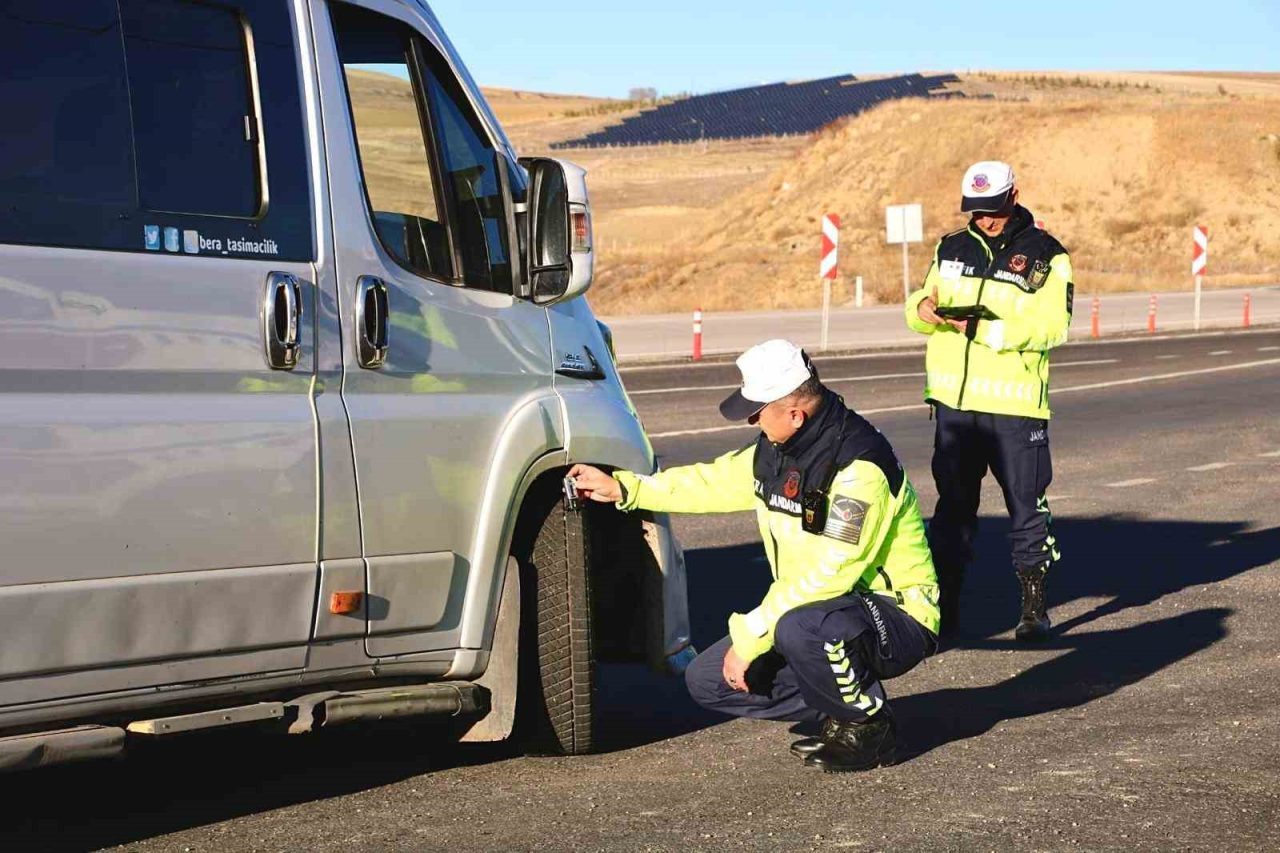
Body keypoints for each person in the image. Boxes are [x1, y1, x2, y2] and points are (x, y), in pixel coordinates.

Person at [568, 339, 939, 773]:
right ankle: (840, 702)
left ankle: (867, 726)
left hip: (894, 614)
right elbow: (709, 483)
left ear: (795, 414)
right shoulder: (777, 449)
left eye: (757, 411)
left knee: (801, 626)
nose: (751, 421)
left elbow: (830, 574)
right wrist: (625, 488)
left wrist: (750, 640)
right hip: (819, 610)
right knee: (709, 681)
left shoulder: (859, 468)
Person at [903, 160, 1073, 641]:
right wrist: (921, 308)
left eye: (993, 209)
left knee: (1026, 508)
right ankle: (945, 612)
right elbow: (919, 304)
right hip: (955, 406)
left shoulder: (1047, 255)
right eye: (976, 211)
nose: (986, 219)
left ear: (1014, 197)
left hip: (1015, 406)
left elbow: (1054, 327)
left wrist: (985, 330)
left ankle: (1034, 609)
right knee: (953, 513)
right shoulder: (950, 247)